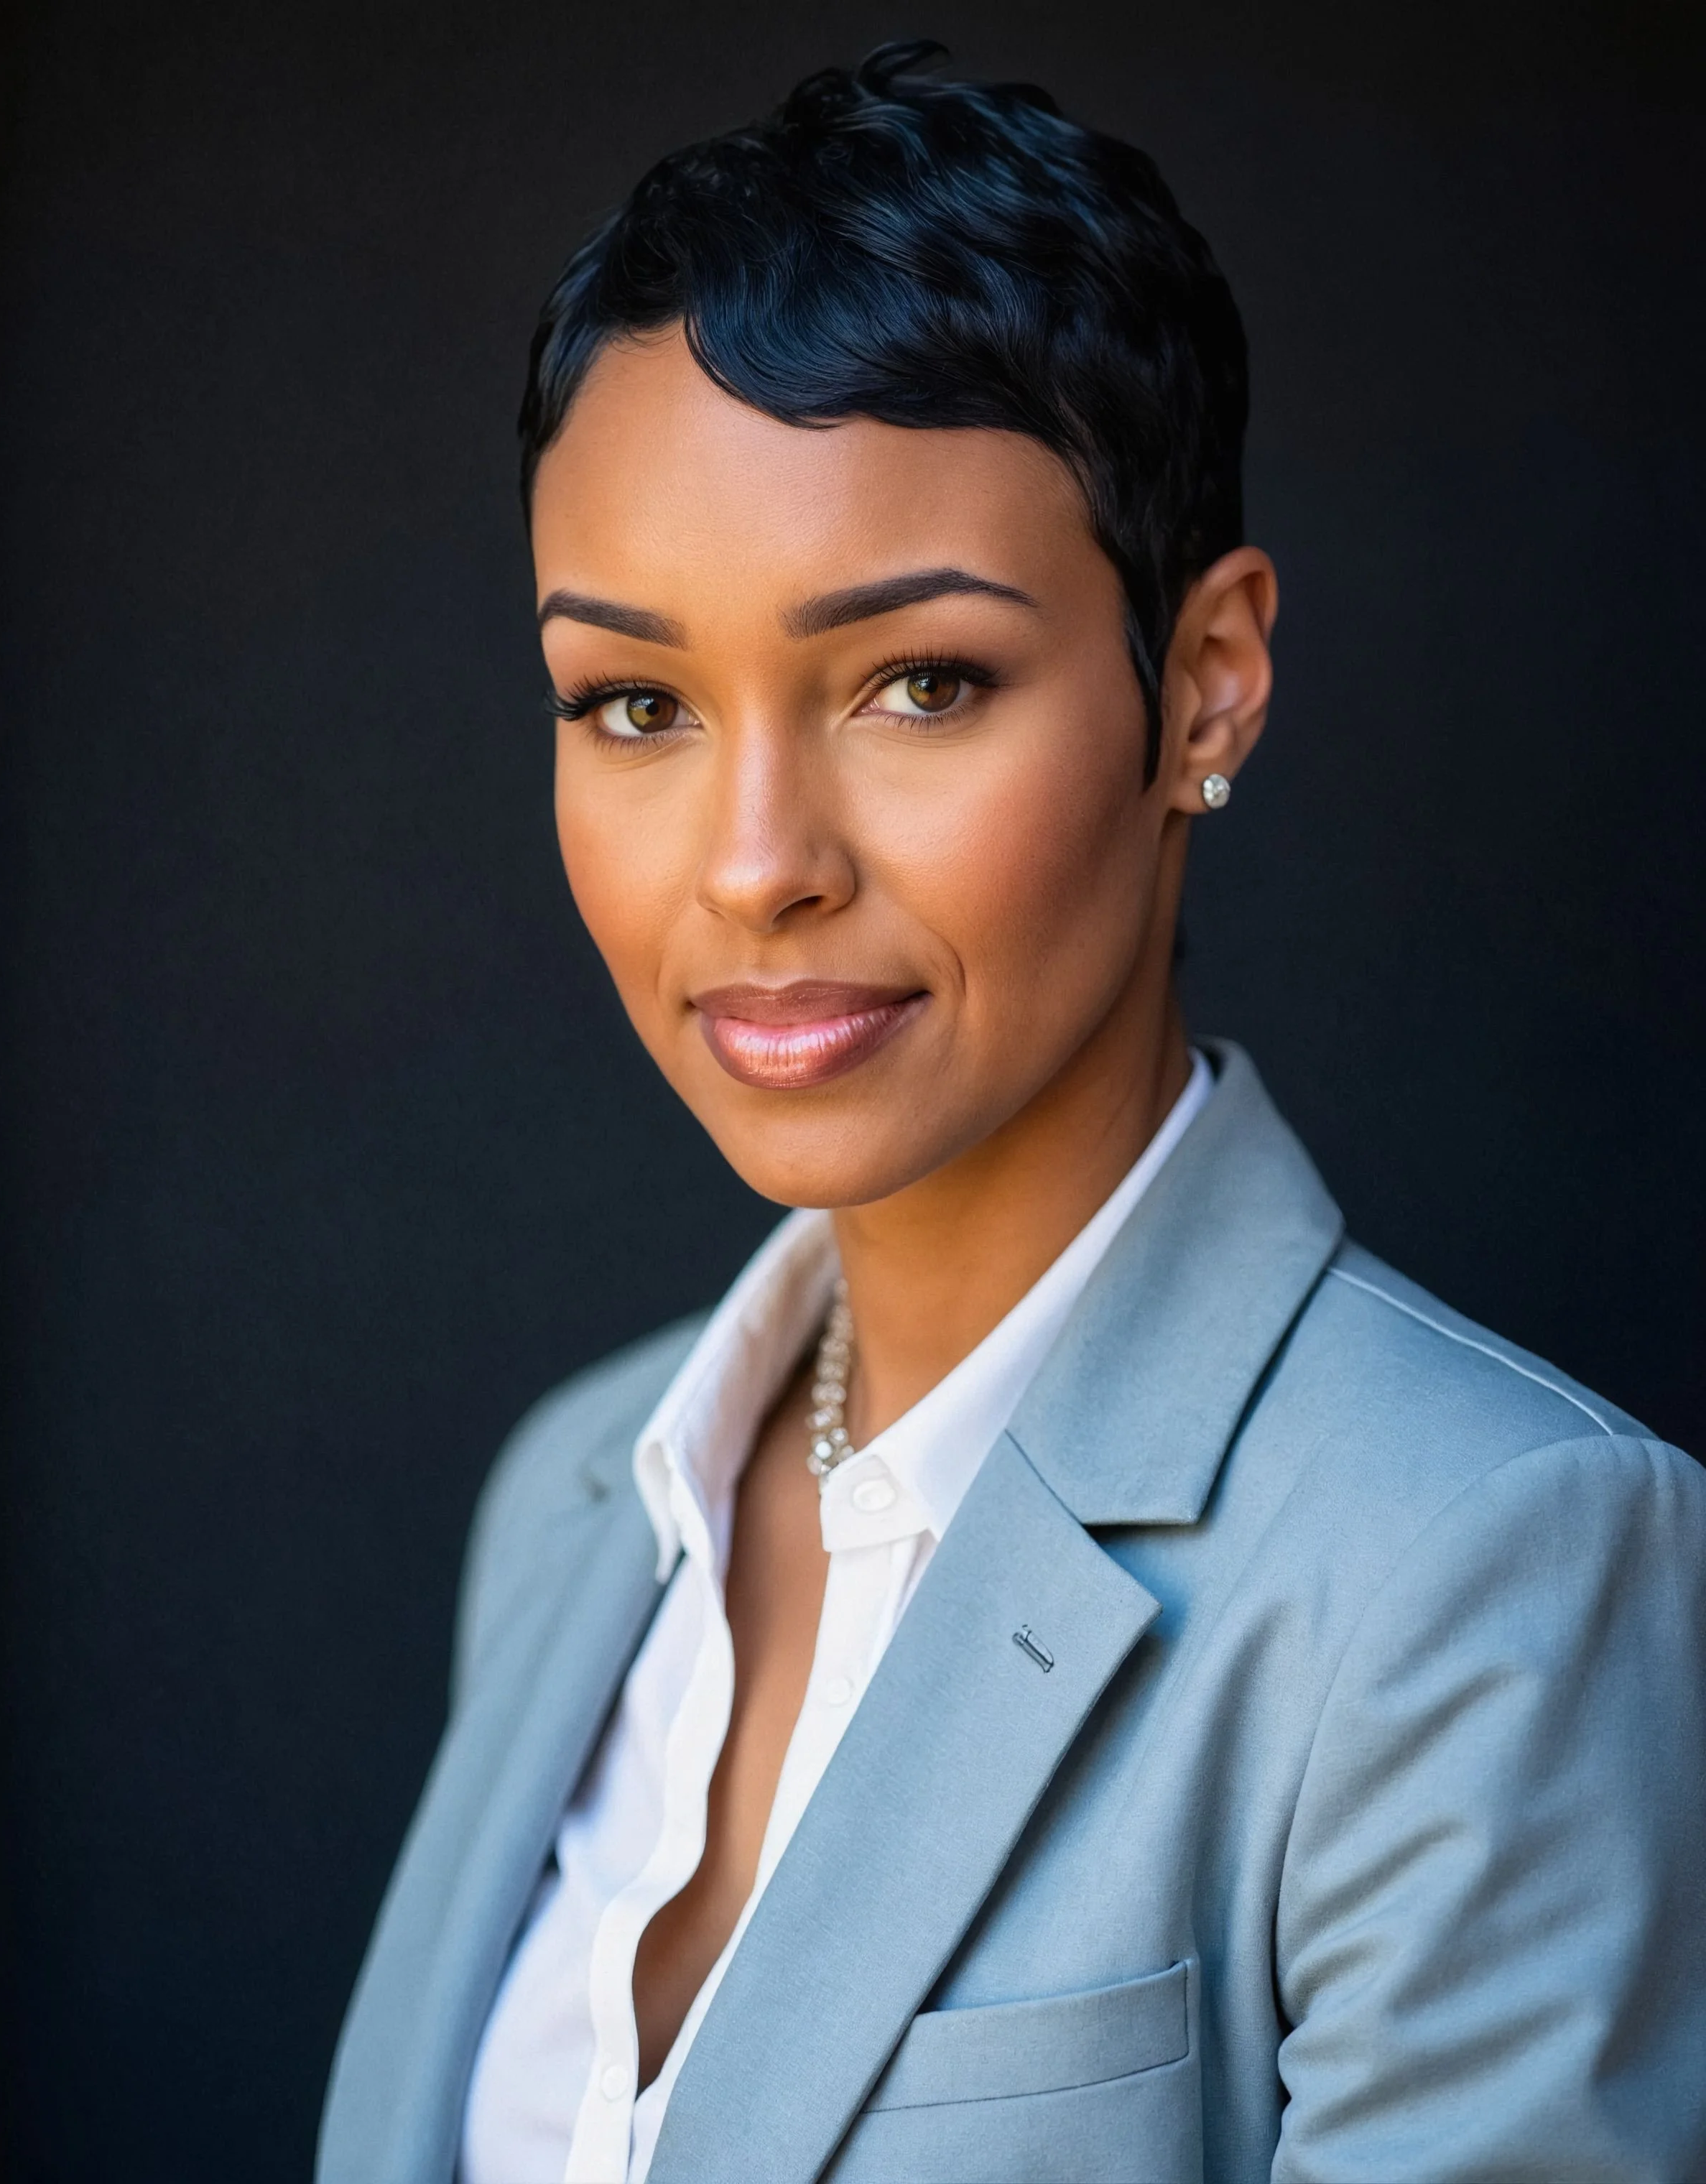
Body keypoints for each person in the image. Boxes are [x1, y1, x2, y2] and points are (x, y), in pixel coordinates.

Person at [317, 40, 1706, 2184]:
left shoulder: (1480, 1570)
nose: (756, 862)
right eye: (636, 704)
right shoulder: (577, 1504)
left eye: (919, 683)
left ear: (1207, 685)